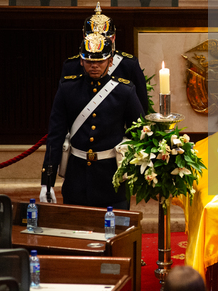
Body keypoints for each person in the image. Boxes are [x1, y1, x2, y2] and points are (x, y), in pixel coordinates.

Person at [40, 33, 144, 209]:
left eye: (100, 61)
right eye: (89, 61)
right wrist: (47, 181)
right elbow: (55, 136)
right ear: (81, 61)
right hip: (76, 180)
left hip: (112, 182)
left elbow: (141, 133)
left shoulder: (124, 91)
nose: (94, 66)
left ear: (110, 62)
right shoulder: (68, 89)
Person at [60, 2, 150, 113]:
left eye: (105, 39)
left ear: (114, 37)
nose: (99, 42)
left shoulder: (128, 64)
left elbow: (141, 108)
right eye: (93, 38)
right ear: (84, 36)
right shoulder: (71, 65)